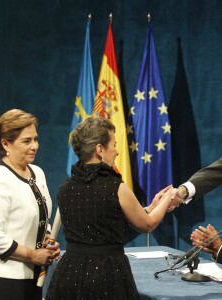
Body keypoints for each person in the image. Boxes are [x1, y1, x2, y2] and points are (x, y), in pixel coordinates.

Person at [46, 117, 178, 300]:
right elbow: (146, 225)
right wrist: (168, 198)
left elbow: (107, 219)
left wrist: (152, 206)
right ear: (100, 149)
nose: (117, 151)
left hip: (69, 274)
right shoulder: (115, 187)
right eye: (114, 144)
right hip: (106, 276)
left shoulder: (65, 187)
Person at [0, 109, 60, 300]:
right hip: (2, 281)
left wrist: (48, 239)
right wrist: (32, 255)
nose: (34, 146)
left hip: (34, 276)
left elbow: (40, 217)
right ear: (6, 144)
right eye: (26, 141)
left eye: (35, 139)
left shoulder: (37, 173)